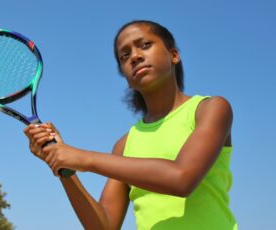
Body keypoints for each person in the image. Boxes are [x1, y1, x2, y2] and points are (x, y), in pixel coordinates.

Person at [24, 20, 237, 230]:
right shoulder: (124, 145)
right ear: (125, 77)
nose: (135, 56)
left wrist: (82, 157)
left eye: (145, 45)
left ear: (174, 55)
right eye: (124, 56)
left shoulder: (211, 109)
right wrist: (65, 168)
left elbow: (181, 178)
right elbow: (104, 226)